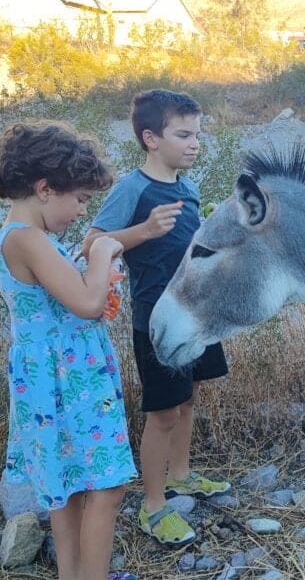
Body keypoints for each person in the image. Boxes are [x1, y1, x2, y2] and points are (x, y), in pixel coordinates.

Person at [0, 121, 160, 580]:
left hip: (53, 380)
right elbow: (85, 304)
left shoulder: (25, 238)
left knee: (67, 486)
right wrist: (104, 251)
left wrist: (89, 263)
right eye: (80, 199)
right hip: (70, 382)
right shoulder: (29, 239)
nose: (82, 212)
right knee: (106, 485)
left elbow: (69, 298)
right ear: (44, 188)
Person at [83, 90, 230, 548]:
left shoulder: (188, 188)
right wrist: (144, 231)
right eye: (183, 134)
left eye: (198, 135)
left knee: (187, 400)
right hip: (157, 320)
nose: (195, 144)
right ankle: (152, 507)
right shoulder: (133, 188)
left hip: (196, 313)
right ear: (150, 138)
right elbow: (91, 243)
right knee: (162, 412)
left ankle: (181, 476)